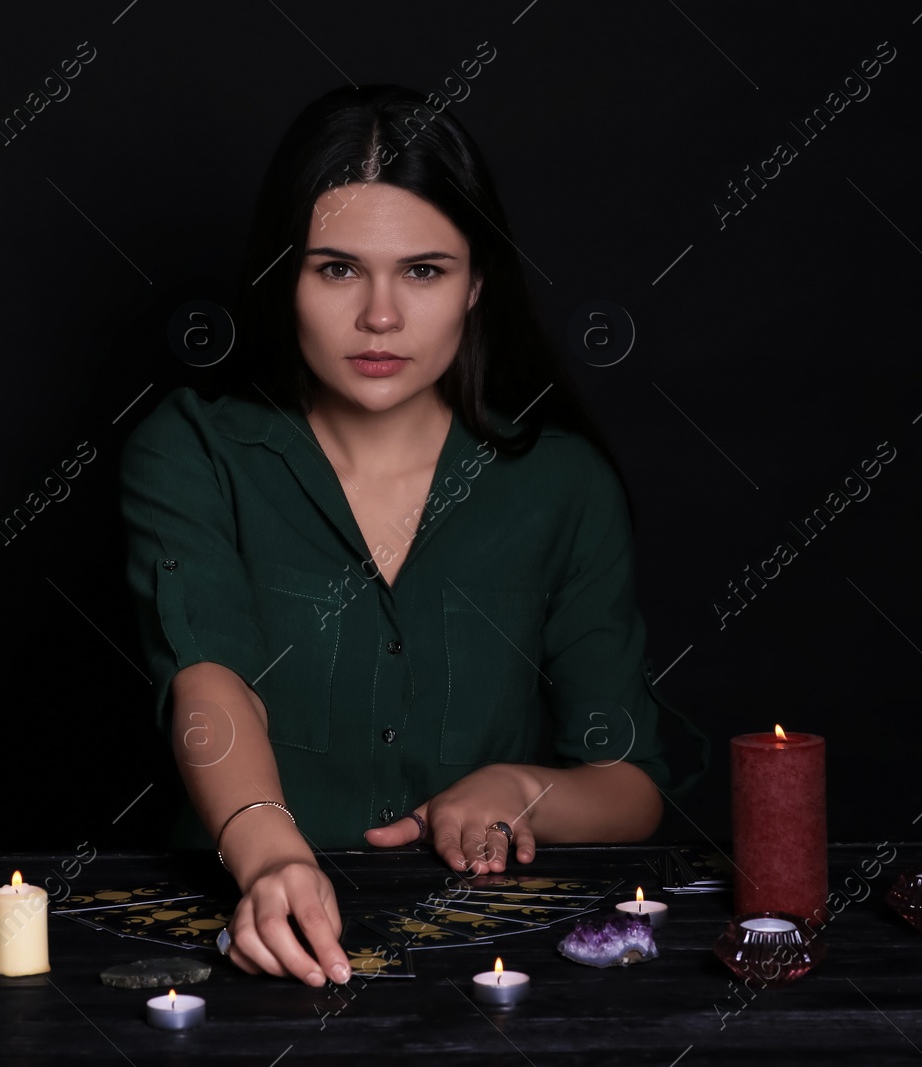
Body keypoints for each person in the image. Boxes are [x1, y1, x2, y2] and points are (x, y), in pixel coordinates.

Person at [120, 84, 704, 989]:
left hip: (489, 967)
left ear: (477, 283)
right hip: (243, 955)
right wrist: (273, 856)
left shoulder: (561, 481)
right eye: (337, 269)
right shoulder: (193, 446)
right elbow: (208, 678)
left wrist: (520, 790)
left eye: (423, 271)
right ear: (285, 275)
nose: (381, 316)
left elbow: (633, 783)